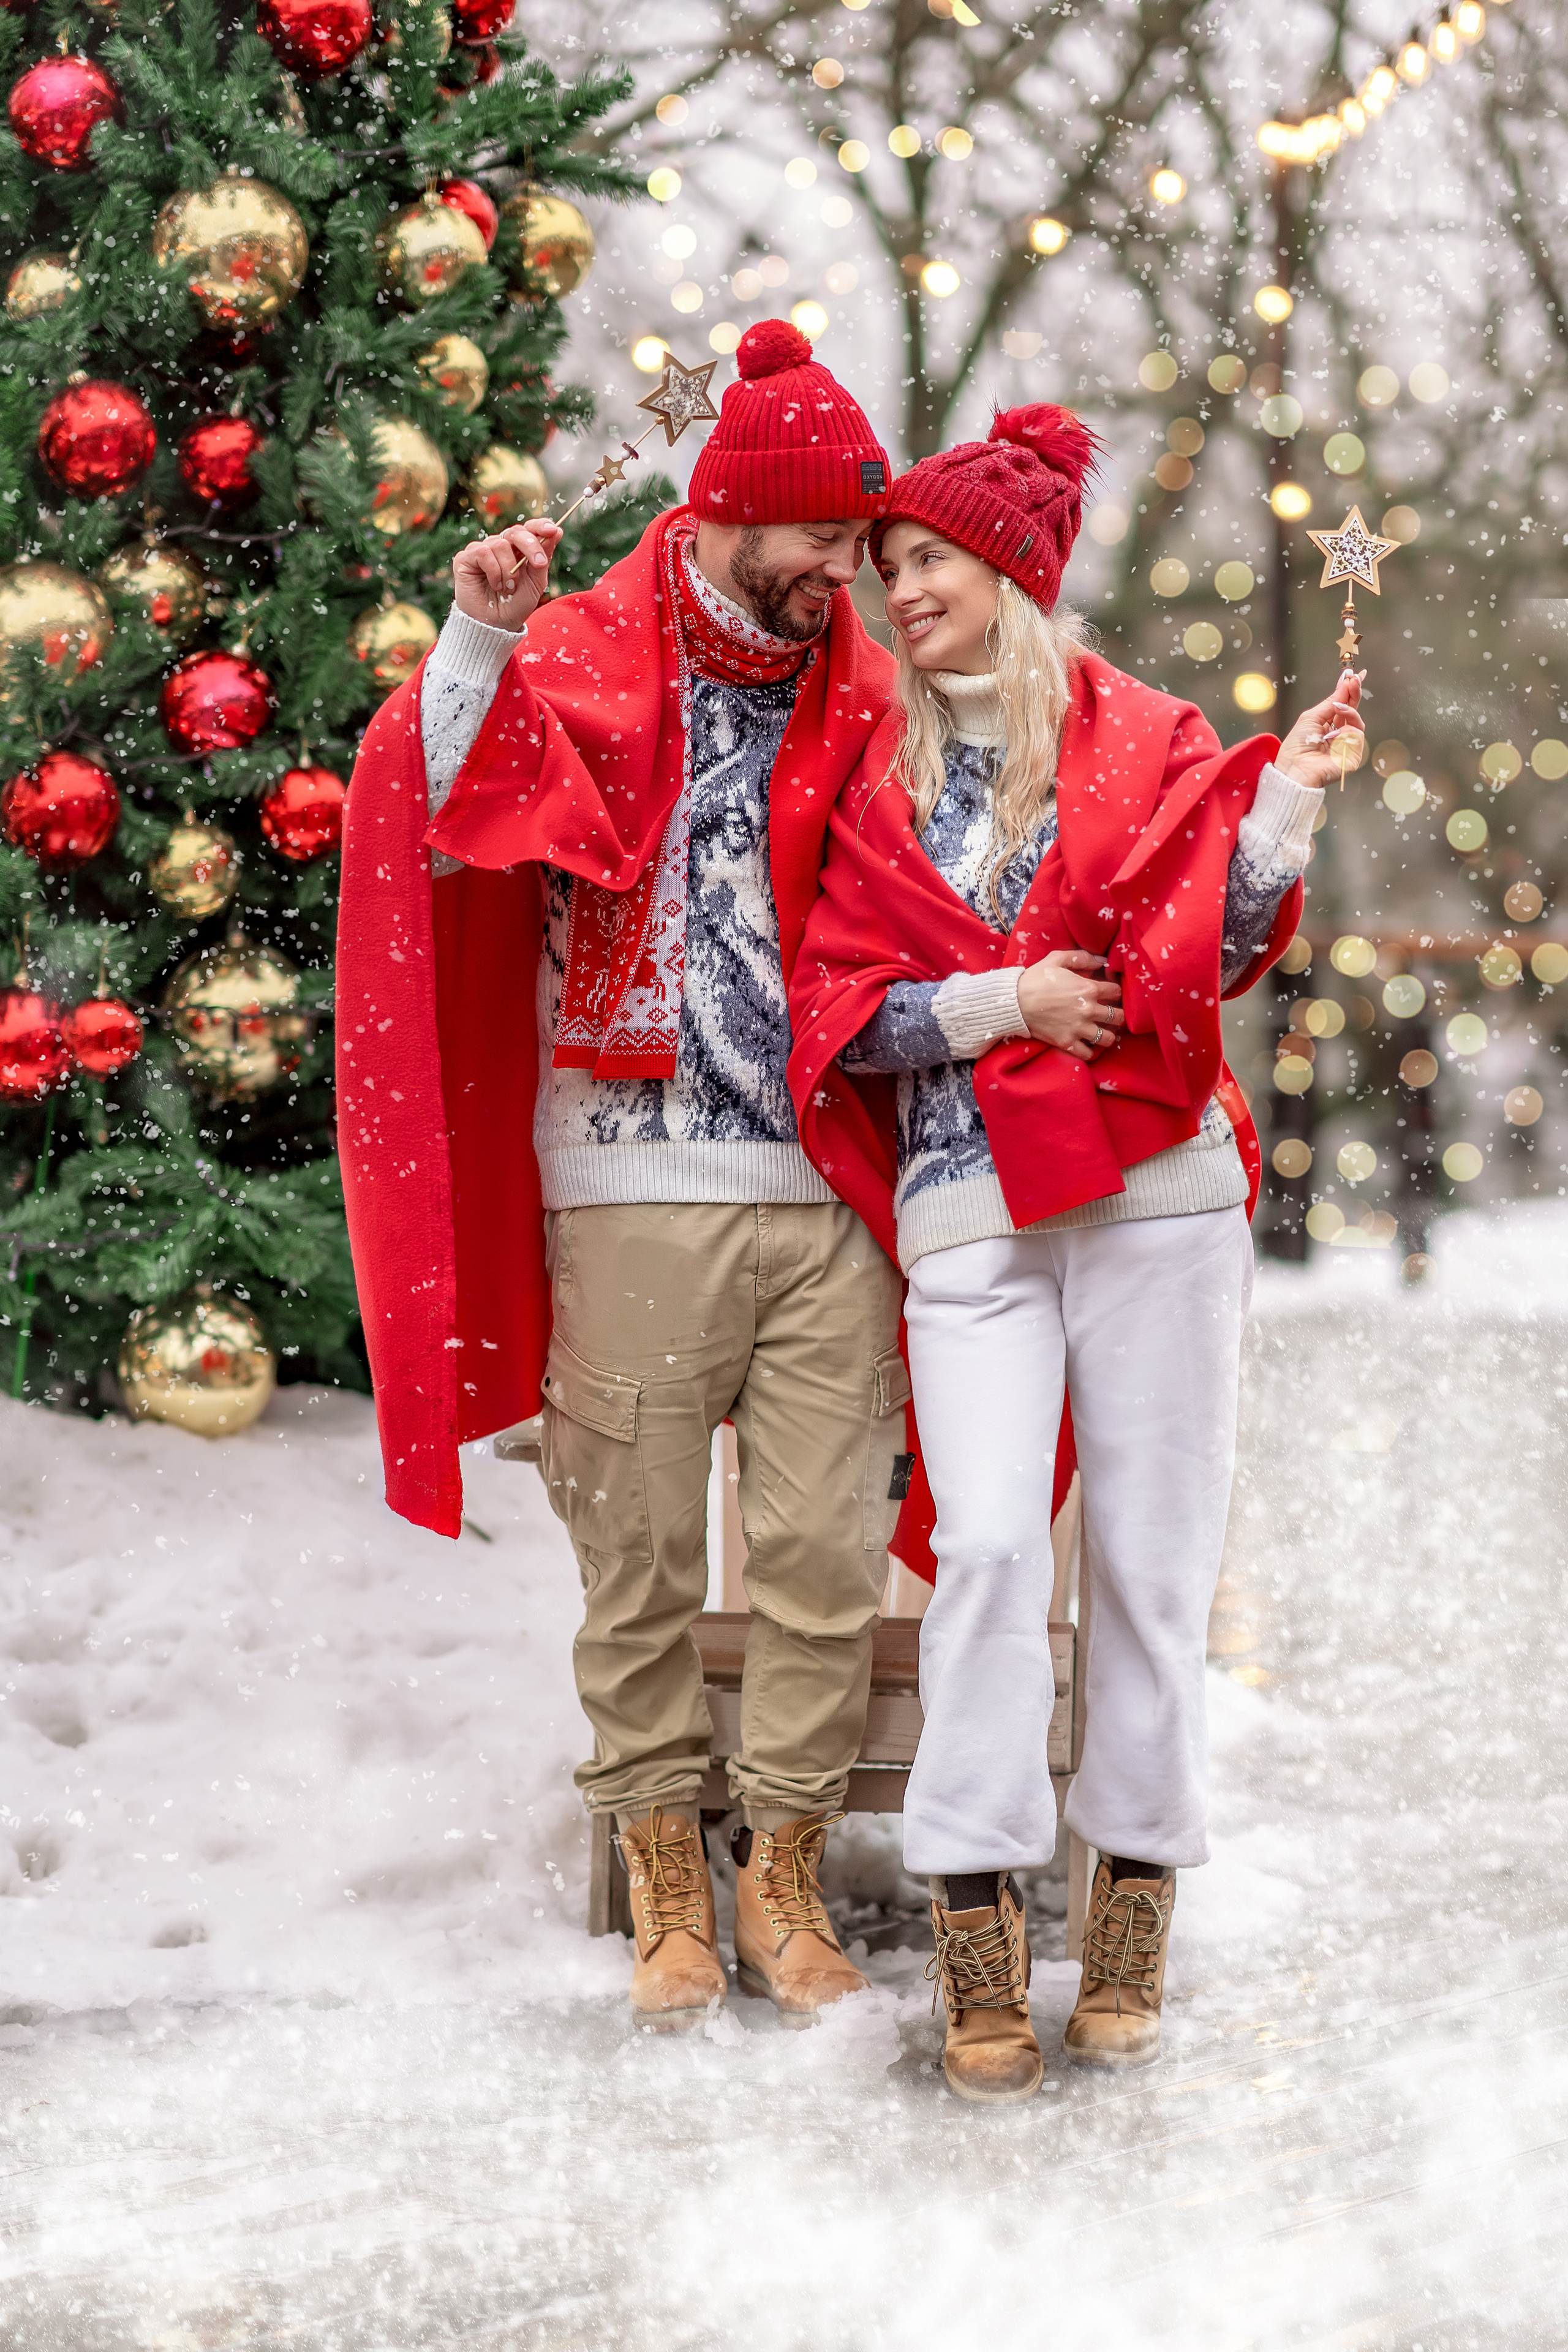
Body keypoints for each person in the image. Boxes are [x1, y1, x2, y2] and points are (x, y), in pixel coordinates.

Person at [337, 319, 911, 2034]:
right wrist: (475, 631)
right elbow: (435, 796)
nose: (847, 568)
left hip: (830, 1182)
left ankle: (784, 1863)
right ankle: (669, 1854)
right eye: (826, 536)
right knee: (642, 1557)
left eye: (863, 545)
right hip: (633, 1174)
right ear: (743, 510)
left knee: (822, 1557)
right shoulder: (579, 654)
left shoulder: (868, 687)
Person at [787, 406, 1364, 2101]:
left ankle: (1129, 1905)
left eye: (925, 563)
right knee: (981, 1549)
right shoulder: (875, 780)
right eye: (886, 568)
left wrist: (1285, 819)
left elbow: (1221, 949)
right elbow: (842, 1015)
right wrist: (1006, 1002)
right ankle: (977, 1917)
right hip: (973, 1213)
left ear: (1010, 571)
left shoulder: (1156, 739)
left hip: (1157, 1196)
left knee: (1153, 1563)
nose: (898, 593)